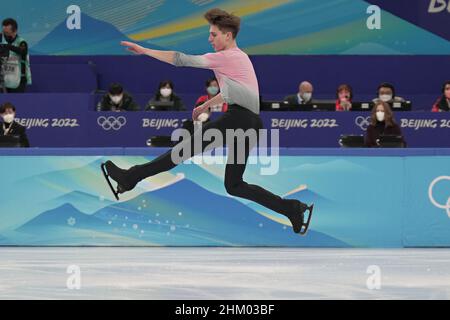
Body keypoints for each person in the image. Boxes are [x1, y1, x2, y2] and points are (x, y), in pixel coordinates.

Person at [102, 8, 313, 235]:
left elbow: (181, 59)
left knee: (183, 150)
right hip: (251, 122)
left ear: (228, 36)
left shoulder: (226, 57)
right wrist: (206, 105)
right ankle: (291, 208)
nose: (209, 39)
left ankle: (130, 176)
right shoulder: (239, 59)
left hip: (239, 118)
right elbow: (235, 90)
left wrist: (144, 50)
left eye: (213, 35)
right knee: (234, 185)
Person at [0, 18, 32, 93]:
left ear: (15, 31)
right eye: (4, 32)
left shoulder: (21, 42)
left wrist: (7, 46)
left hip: (18, 79)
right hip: (2, 77)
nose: (5, 34)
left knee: (16, 103)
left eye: (7, 32)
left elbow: (22, 52)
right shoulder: (1, 38)